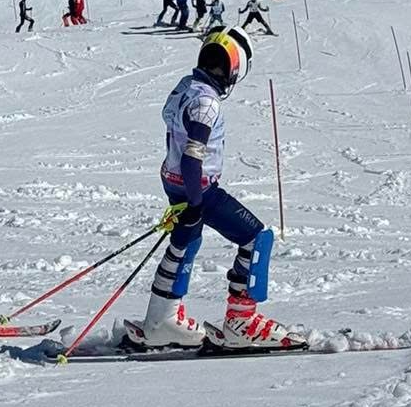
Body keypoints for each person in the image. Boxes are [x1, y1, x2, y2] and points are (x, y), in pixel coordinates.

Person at [122, 27, 299, 352]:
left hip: (174, 180)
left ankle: (161, 319)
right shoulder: (207, 103)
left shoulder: (186, 86)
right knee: (257, 238)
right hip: (197, 187)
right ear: (235, 70)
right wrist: (195, 202)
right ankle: (242, 322)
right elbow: (193, 156)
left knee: (186, 240)